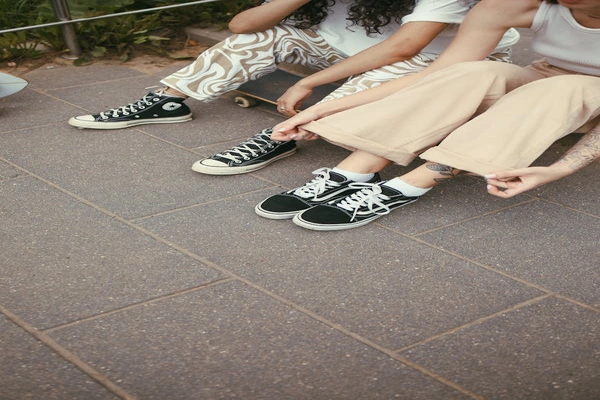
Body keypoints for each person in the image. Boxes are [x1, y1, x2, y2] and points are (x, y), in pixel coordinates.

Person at [254, 0, 600, 230]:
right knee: (476, 72)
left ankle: (410, 185)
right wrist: (321, 108)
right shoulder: (511, 5)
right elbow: (439, 74)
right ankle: (353, 173)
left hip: (586, 93)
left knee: (558, 90)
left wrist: (561, 168)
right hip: (547, 72)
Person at [68, 0, 519, 175]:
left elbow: (402, 48)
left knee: (378, 73)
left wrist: (311, 83)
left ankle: (283, 137)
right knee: (259, 37)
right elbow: (240, 25)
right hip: (340, 48)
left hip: (438, 57)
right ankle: (168, 102)